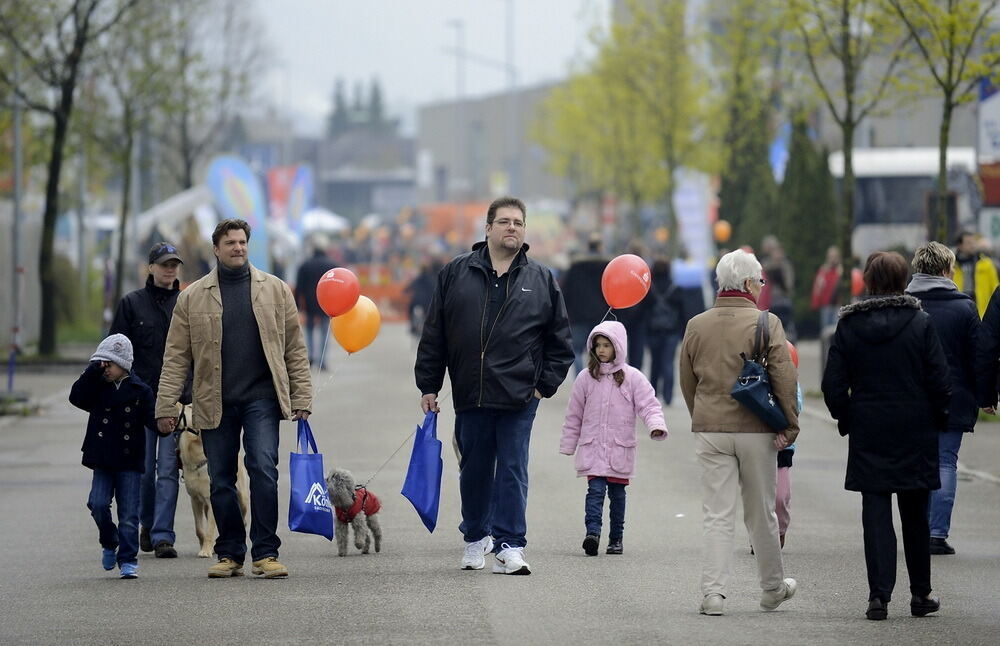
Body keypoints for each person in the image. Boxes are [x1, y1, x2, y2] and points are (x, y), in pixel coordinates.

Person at [415, 196, 574, 576]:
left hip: (521, 396)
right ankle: (475, 538)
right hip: (472, 392)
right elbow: (435, 332)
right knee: (474, 468)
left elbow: (561, 342)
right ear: (487, 229)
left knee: (513, 470)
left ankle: (510, 545)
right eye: (504, 222)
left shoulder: (541, 279)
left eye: (518, 222)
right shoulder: (455, 273)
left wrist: (542, 387)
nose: (512, 228)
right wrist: (429, 385)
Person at [155, 218, 313, 579]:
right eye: (230, 243)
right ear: (216, 249)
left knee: (263, 470)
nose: (238, 248)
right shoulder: (192, 297)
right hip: (214, 401)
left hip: (262, 398)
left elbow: (294, 348)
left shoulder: (275, 290)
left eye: (242, 242)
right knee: (221, 478)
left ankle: (266, 553)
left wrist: (301, 395)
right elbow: (176, 356)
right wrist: (166, 407)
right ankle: (229, 553)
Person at [822, 251, 950, 621]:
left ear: (868, 281)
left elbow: (834, 384)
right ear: (901, 280)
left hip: (870, 427)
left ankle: (878, 597)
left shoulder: (849, 326)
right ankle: (920, 593)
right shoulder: (921, 323)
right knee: (915, 514)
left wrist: (847, 417)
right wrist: (938, 416)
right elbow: (939, 379)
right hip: (915, 425)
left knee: (875, 513)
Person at [679, 249, 799, 617]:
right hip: (756, 429)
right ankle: (771, 589)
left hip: (711, 427)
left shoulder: (697, 324)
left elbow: (687, 380)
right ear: (748, 284)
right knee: (761, 513)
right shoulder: (767, 322)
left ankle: (713, 595)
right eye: (760, 281)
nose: (762, 287)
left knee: (717, 513)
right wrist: (790, 424)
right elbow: (783, 375)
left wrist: (701, 414)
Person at [109, 242, 190, 559]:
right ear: (151, 268)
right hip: (140, 402)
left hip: (175, 399)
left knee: (169, 470)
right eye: (164, 264)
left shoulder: (187, 303)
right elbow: (114, 352)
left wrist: (193, 392)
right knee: (143, 471)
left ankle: (162, 535)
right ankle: (146, 522)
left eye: (174, 264)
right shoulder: (131, 304)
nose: (170, 269)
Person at [559, 321, 667, 556]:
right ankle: (593, 534)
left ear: (618, 347)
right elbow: (574, 414)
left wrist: (656, 425)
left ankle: (615, 538)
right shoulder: (586, 378)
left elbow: (649, 405)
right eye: (597, 345)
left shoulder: (632, 377)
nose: (601, 350)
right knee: (595, 492)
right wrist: (569, 443)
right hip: (593, 448)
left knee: (618, 497)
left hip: (620, 449)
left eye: (606, 345)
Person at [905, 242, 979, 556]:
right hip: (954, 395)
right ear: (947, 271)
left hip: (910, 397)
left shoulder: (904, 305)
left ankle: (916, 530)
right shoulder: (964, 307)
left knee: (914, 463)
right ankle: (937, 533)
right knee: (946, 461)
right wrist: (985, 394)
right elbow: (978, 355)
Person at [69, 334, 156, 579]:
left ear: (124, 364)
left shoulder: (140, 390)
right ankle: (109, 540)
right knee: (97, 503)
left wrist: (166, 424)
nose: (105, 368)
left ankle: (128, 558)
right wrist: (92, 370)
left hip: (130, 460)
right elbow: (76, 397)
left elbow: (153, 419)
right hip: (103, 458)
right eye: (101, 362)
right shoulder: (96, 386)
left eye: (110, 363)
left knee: (129, 514)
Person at [560, 232, 610, 374]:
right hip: (601, 315)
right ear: (600, 247)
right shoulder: (606, 266)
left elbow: (565, 292)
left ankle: (580, 379)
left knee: (577, 350)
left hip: (577, 316)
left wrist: (567, 312)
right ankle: (597, 379)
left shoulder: (575, 267)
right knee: (600, 350)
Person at [294, 235, 337, 370]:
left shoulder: (305, 265)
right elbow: (337, 288)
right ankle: (323, 361)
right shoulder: (332, 265)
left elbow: (299, 287)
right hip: (327, 304)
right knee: (325, 331)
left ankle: (311, 356)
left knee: (310, 330)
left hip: (309, 303)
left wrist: (297, 305)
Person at [646, 258, 684, 404]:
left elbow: (645, 310)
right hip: (671, 332)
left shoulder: (650, 288)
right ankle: (668, 396)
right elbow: (682, 311)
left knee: (654, 363)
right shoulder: (675, 287)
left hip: (653, 331)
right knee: (668, 363)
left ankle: (653, 393)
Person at [953, 230, 999, 318]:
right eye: (969, 243)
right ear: (960, 246)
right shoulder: (953, 265)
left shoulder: (986, 263)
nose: (973, 245)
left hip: (983, 312)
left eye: (974, 242)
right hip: (959, 310)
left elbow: (995, 288)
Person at [759, 235, 797, 342]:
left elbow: (789, 284)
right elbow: (762, 281)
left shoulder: (785, 265)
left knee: (788, 328)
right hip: (771, 301)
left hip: (784, 301)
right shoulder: (765, 264)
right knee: (772, 328)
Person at [811, 245, 843, 330]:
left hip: (838, 305)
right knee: (825, 331)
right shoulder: (823, 272)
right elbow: (817, 289)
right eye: (831, 256)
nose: (832, 259)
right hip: (826, 305)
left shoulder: (840, 271)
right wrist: (816, 303)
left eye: (834, 256)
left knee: (836, 330)